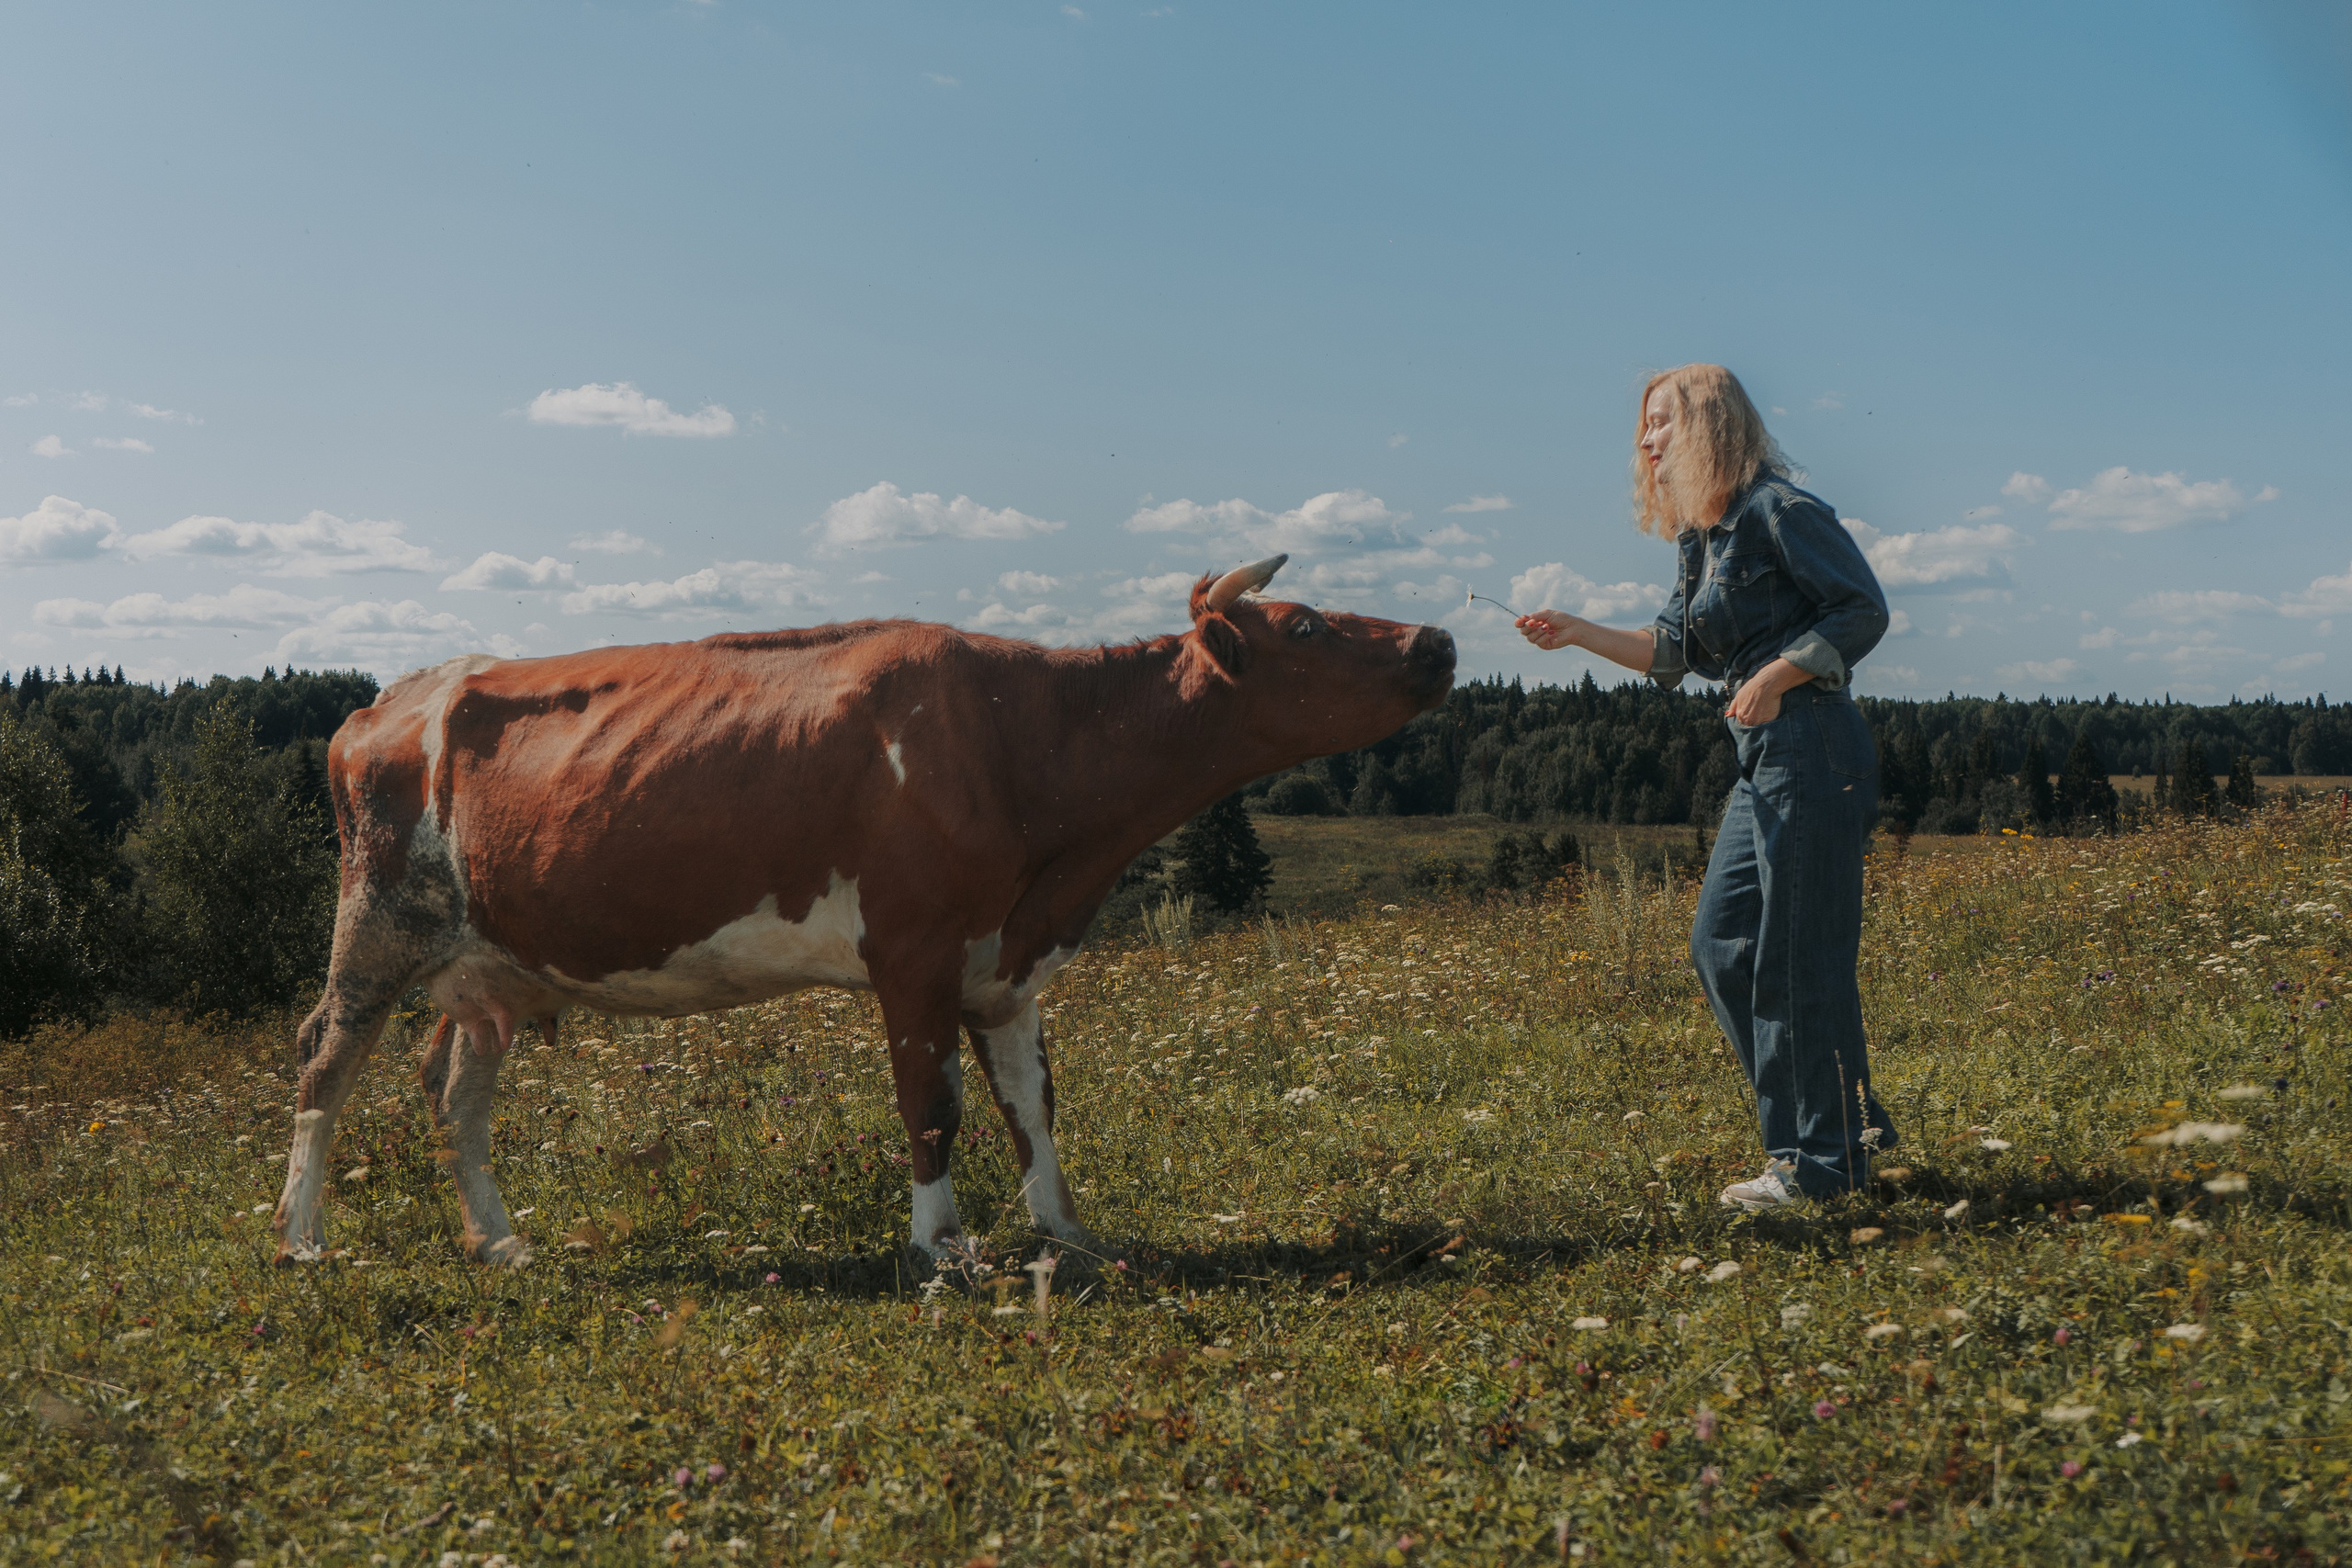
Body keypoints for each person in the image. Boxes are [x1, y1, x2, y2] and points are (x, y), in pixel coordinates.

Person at [1517, 364, 1895, 1210]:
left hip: (1815, 745)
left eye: (1661, 423)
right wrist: (1576, 632)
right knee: (1721, 946)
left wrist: (1778, 676)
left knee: (1799, 960)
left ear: (1709, 425)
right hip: (1765, 760)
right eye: (1643, 427)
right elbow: (1672, 651)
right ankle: (1849, 1123)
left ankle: (1819, 1169)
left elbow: (1861, 609)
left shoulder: (1780, 511)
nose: (1646, 441)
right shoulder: (1705, 536)